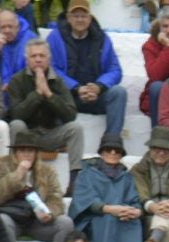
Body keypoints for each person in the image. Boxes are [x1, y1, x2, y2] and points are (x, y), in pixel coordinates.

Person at [6, 38, 84, 188]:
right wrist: (36, 94)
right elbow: (16, 114)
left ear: (49, 59)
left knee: (76, 128)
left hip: (50, 135)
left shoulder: (58, 81)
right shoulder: (17, 80)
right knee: (16, 125)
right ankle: (15, 178)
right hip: (26, 137)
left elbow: (70, 115)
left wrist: (49, 94)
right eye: (34, 56)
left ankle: (74, 183)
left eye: (42, 56)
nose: (38, 59)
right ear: (27, 59)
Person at [47, 0, 126, 141]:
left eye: (84, 16)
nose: (80, 19)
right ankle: (57, 141)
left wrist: (99, 87)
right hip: (67, 96)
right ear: (68, 17)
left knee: (119, 93)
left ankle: (111, 141)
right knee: (52, 95)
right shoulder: (55, 37)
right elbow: (51, 68)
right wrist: (76, 88)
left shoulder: (102, 38)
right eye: (76, 15)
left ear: (90, 18)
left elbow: (115, 69)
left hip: (95, 96)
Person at [71, 134, 142, 242]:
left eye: (117, 150)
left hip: (122, 216)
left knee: (132, 220)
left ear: (121, 155)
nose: (113, 153)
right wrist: (108, 209)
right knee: (107, 219)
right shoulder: (86, 173)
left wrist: (136, 211)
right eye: (108, 149)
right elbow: (84, 200)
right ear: (102, 153)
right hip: (95, 216)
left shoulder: (127, 177)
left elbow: (134, 199)